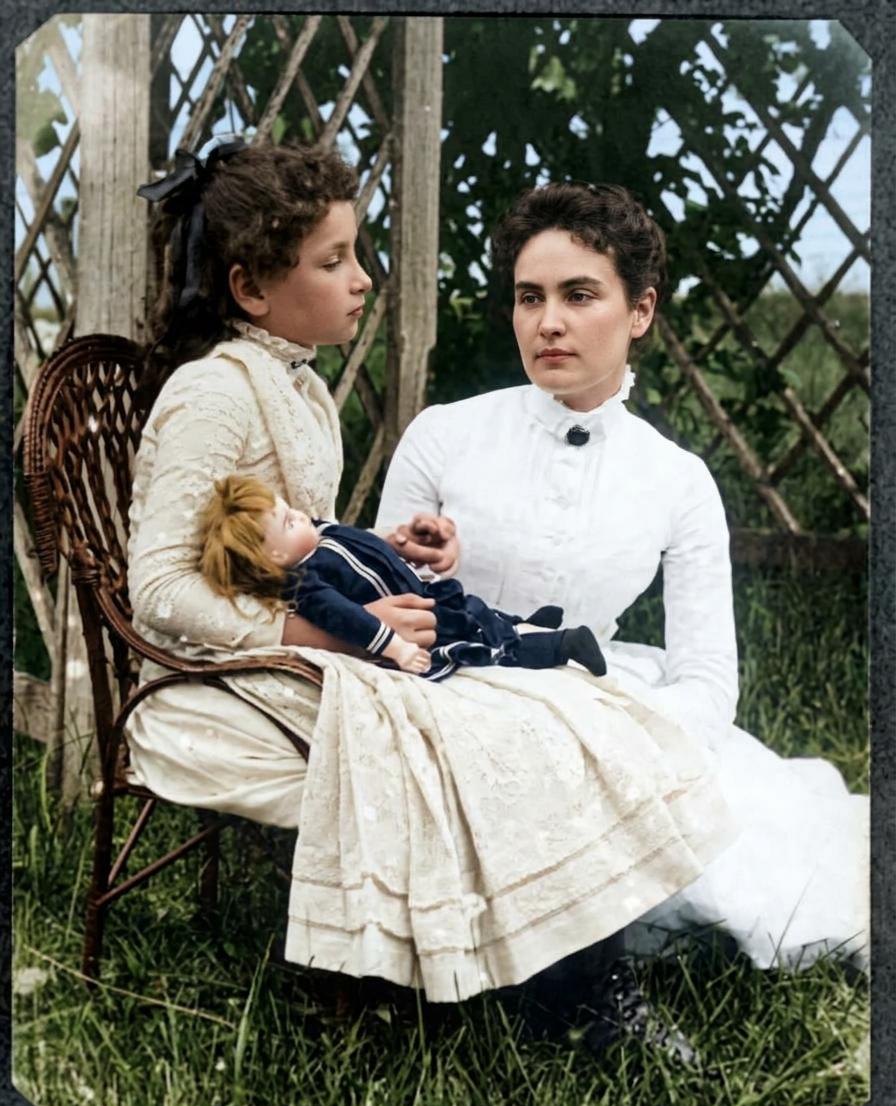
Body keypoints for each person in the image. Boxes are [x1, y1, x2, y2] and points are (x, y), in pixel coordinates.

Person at [127, 140, 737, 1025]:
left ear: (640, 311)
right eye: (335, 261)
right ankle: (540, 983)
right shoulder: (215, 394)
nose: (363, 279)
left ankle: (550, 970)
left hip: (309, 652)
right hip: (222, 673)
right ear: (251, 289)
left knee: (534, 706)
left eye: (358, 255)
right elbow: (155, 590)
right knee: (503, 715)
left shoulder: (298, 390)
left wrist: (384, 547)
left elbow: (298, 547)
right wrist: (321, 633)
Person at [377, 181, 869, 975]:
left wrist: (622, 743)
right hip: (446, 698)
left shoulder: (677, 480)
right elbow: (380, 607)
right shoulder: (445, 436)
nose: (549, 321)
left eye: (579, 295)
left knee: (778, 870)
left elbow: (708, 679)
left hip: (603, 713)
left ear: (640, 311)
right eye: (529, 297)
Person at [198, 473, 607, 681]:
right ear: (274, 556)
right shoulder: (306, 583)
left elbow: (361, 545)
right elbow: (350, 619)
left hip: (423, 592)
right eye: (289, 522)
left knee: (476, 610)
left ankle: (524, 622)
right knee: (478, 642)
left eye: (291, 510)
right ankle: (559, 646)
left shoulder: (319, 535)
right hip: (415, 621)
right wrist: (396, 648)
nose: (301, 517)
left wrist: (398, 541)